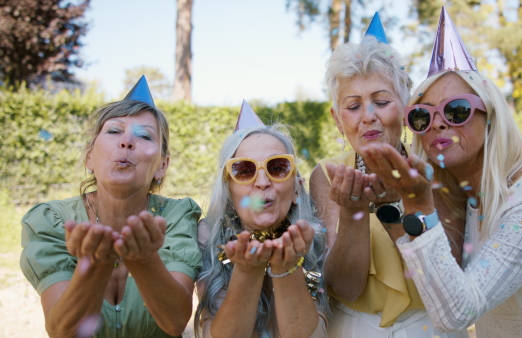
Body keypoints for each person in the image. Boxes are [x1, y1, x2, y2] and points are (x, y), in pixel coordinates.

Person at [361, 7, 522, 337]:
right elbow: (439, 287)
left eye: (456, 110)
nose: (439, 123)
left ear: (492, 117)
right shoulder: (472, 196)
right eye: (421, 116)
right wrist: (393, 210)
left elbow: (456, 313)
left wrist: (418, 208)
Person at [310, 12, 467, 337]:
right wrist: (352, 212)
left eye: (381, 101)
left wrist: (397, 208)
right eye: (353, 107)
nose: (368, 117)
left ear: (407, 105)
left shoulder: (438, 169)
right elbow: (344, 288)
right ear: (338, 120)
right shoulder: (327, 176)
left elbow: (448, 281)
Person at [20, 76, 202, 337]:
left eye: (144, 136)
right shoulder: (52, 220)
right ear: (90, 157)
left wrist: (143, 258)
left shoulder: (177, 216)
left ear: (162, 165)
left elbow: (174, 322)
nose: (126, 142)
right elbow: (62, 330)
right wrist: (95, 267)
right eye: (114, 131)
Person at [195, 101, 328, 337]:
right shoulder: (208, 237)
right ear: (228, 191)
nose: (262, 182)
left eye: (277, 167)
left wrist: (287, 265)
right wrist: (247, 271)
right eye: (244, 170)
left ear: (297, 189)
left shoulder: (312, 238)